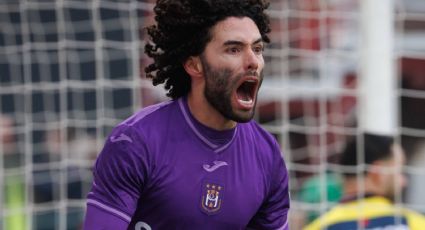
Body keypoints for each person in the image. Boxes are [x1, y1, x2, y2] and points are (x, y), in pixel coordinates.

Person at [83, 0, 290, 229]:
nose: (253, 61)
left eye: (258, 49)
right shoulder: (135, 142)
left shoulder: (267, 156)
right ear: (194, 65)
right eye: (234, 49)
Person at [304, 133, 425, 230]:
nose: (404, 181)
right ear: (379, 173)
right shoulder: (413, 223)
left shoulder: (320, 226)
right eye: (399, 171)